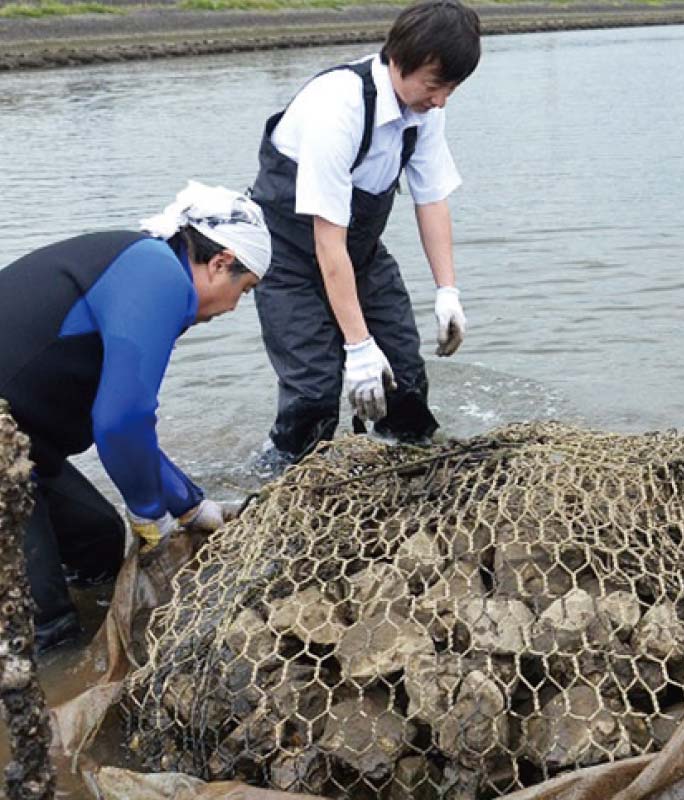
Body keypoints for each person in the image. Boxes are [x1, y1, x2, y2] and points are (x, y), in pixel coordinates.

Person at [0, 181, 272, 654]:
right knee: (46, 623)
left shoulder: (144, 264)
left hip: (24, 443)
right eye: (244, 290)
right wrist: (154, 522)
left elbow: (129, 426)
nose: (232, 307)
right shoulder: (157, 277)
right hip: (10, 443)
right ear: (220, 263)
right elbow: (121, 422)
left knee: (99, 542)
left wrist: (189, 504)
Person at [250, 0, 481, 472]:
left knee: (405, 379)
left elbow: (432, 199)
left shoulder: (425, 110)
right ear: (398, 60)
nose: (440, 100)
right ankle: (285, 478)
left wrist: (447, 291)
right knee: (315, 389)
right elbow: (325, 240)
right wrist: (357, 346)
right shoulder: (338, 106)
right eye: (435, 85)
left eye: (451, 89)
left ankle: (410, 472)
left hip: (361, 254)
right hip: (289, 257)